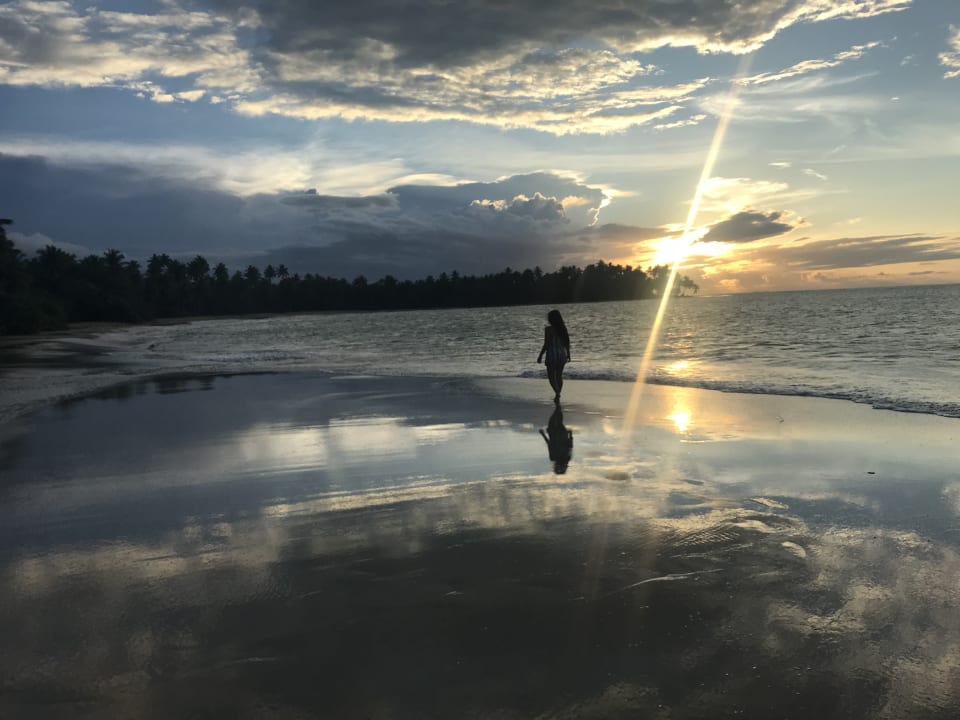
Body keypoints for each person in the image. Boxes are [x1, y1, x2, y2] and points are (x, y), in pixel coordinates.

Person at [536, 309, 571, 403]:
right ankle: (558, 393)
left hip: (552, 354)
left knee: (551, 376)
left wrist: (540, 355)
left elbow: (546, 344)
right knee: (559, 375)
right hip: (562, 354)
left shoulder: (549, 329)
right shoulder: (563, 328)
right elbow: (567, 342)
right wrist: (568, 354)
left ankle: (557, 393)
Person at [539, 404, 573, 474]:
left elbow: (570, 446)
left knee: (558, 417)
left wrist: (570, 434)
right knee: (556, 417)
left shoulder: (566, 458)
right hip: (555, 433)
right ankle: (557, 403)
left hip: (561, 434)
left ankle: (558, 403)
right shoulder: (554, 457)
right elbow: (549, 444)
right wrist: (543, 434)